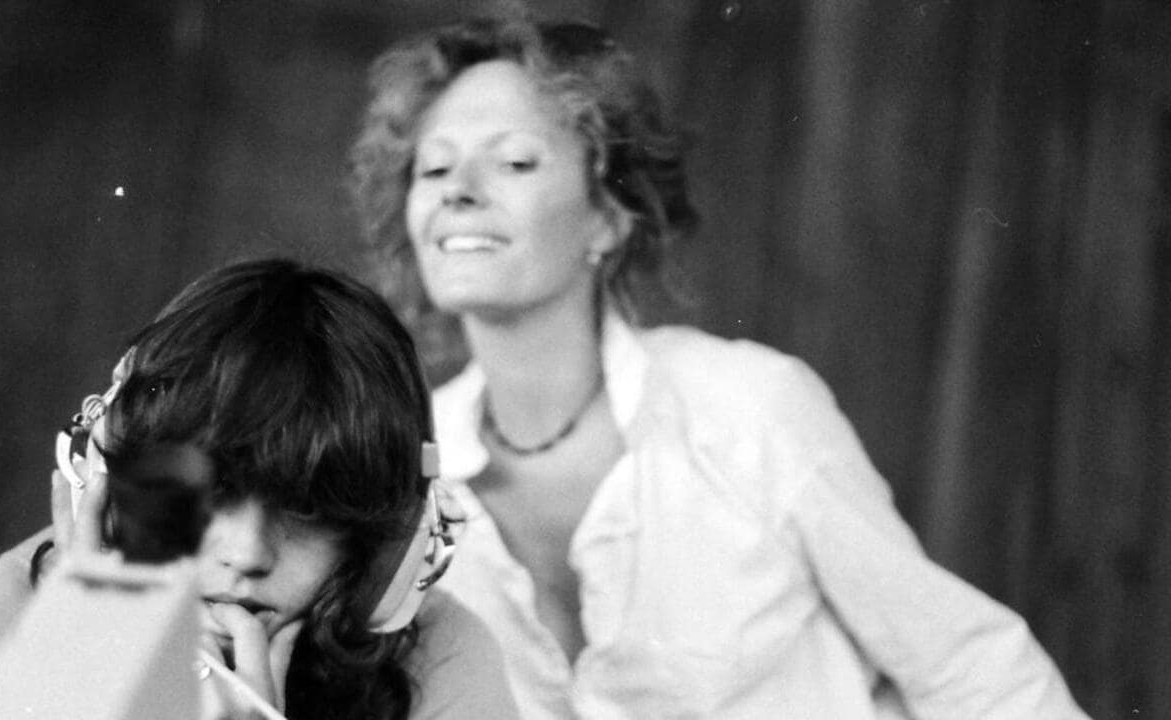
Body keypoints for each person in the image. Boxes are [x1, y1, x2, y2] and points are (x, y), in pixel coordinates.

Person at [349, 16, 1090, 719]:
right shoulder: (396, 475)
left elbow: (971, 668)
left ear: (609, 214)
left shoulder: (751, 409)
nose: (457, 189)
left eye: (514, 161)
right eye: (433, 167)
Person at [0, 259, 520, 720]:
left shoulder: (443, 655)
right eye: (214, 490)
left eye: (307, 509)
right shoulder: (23, 598)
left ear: (388, 549)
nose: (248, 554)